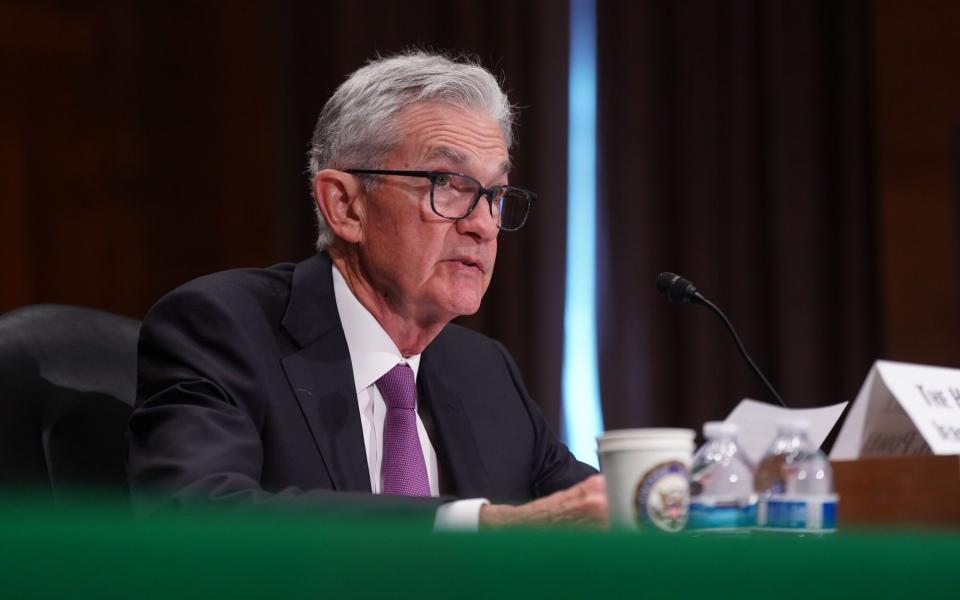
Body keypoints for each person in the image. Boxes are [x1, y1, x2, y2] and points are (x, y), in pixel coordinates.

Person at [127, 51, 606, 529]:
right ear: (345, 206)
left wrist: (667, 497)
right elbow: (193, 515)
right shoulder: (222, 329)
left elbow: (588, 513)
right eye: (448, 183)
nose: (483, 224)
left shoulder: (484, 372)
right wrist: (472, 528)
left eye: (495, 194)